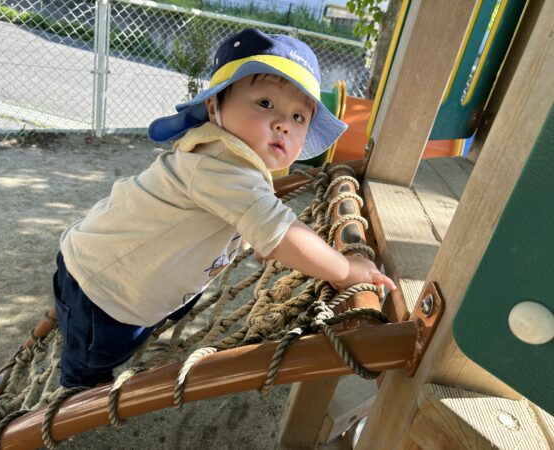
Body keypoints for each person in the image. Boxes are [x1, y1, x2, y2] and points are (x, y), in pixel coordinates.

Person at [53, 28, 396, 388]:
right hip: (103, 294)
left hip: (111, 267)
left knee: (146, 319)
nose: (283, 123)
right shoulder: (220, 164)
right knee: (97, 358)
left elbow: (251, 217)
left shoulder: (235, 162)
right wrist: (345, 269)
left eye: (299, 117)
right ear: (215, 105)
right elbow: (280, 231)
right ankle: (76, 386)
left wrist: (258, 237)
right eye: (265, 104)